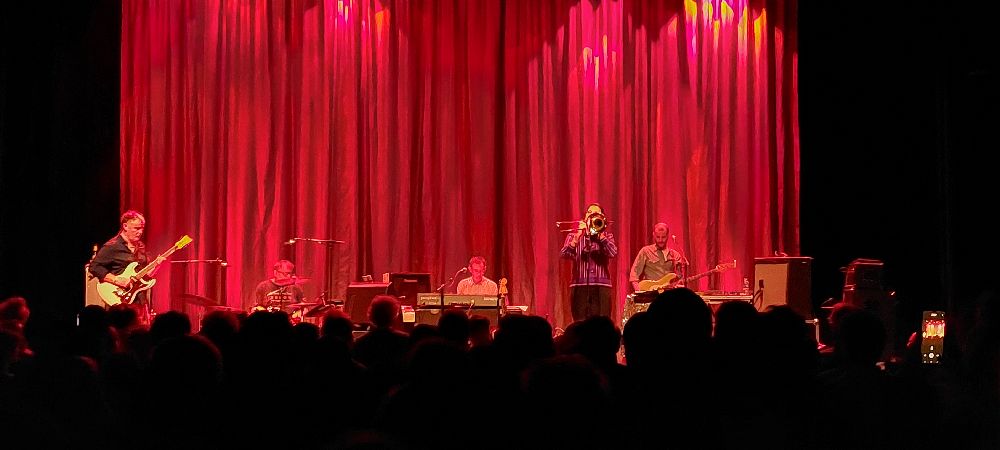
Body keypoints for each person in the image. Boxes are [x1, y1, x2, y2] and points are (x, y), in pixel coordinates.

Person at [561, 203, 618, 321]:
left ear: (602, 217)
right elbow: (564, 254)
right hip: (579, 285)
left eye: (595, 213)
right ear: (585, 217)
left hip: (601, 286)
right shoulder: (573, 235)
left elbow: (613, 253)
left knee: (602, 323)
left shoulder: (607, 236)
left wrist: (601, 237)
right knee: (579, 323)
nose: (592, 215)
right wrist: (577, 237)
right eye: (589, 212)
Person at [89, 210, 151, 309]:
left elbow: (145, 273)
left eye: (142, 229)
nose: (140, 232)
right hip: (120, 298)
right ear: (125, 226)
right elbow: (94, 267)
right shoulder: (112, 246)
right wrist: (116, 280)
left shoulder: (140, 247)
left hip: (139, 299)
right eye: (137, 228)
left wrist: (157, 265)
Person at [629, 222, 685, 292]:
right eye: (658, 237)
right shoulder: (646, 251)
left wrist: (679, 282)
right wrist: (639, 291)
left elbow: (680, 277)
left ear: (667, 236)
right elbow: (634, 274)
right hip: (651, 293)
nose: (660, 240)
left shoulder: (675, 255)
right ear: (653, 235)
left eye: (663, 237)